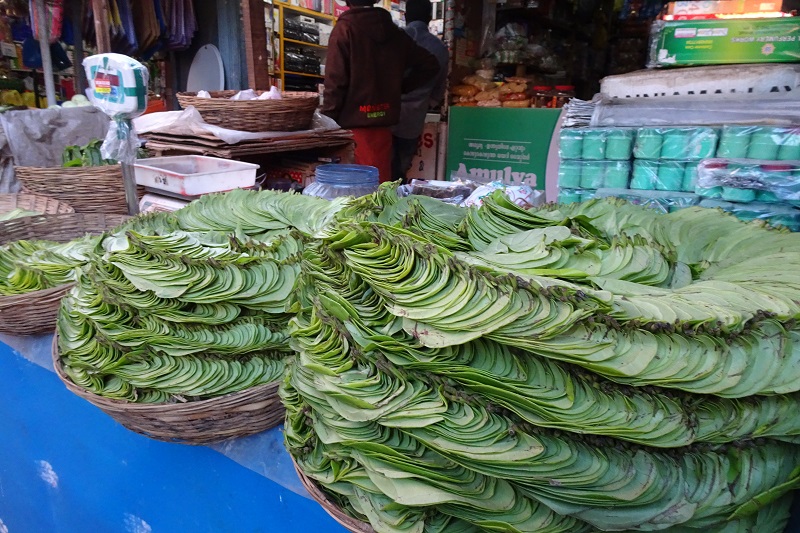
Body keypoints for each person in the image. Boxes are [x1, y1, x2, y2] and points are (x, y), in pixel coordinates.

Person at [321, 0, 440, 182]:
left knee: (352, 198)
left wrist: (325, 122)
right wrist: (398, 88)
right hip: (384, 129)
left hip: (352, 132)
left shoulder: (345, 30)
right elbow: (430, 64)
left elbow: (335, 83)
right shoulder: (395, 33)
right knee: (379, 193)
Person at [391, 0, 449, 184]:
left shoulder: (394, 40)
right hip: (413, 120)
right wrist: (423, 104)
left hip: (384, 115)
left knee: (380, 169)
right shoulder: (439, 48)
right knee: (400, 171)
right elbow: (439, 89)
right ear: (430, 18)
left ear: (406, 15)